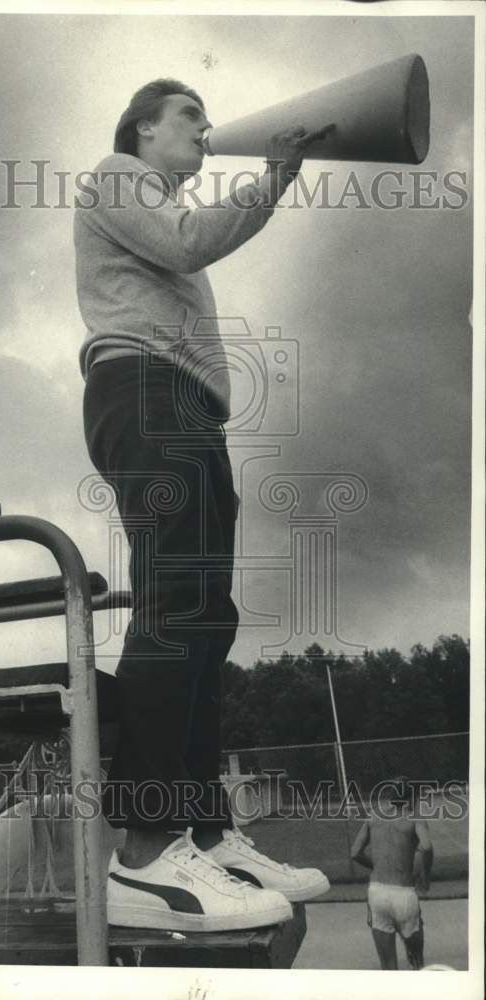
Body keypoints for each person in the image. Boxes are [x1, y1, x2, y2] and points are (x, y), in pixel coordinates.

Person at [74, 79, 330, 932]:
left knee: (206, 617)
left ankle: (207, 836)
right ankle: (145, 853)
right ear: (143, 127)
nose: (206, 128)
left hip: (183, 404)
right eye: (189, 115)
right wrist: (274, 176)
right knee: (176, 605)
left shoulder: (147, 186)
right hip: (141, 391)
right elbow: (187, 244)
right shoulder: (115, 173)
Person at [351, 776, 434, 969]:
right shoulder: (414, 818)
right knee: (417, 962)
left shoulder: (373, 815)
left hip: (377, 893)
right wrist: (425, 876)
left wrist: (377, 866)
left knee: (388, 967)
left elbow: (355, 852)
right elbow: (427, 848)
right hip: (404, 894)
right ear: (412, 797)